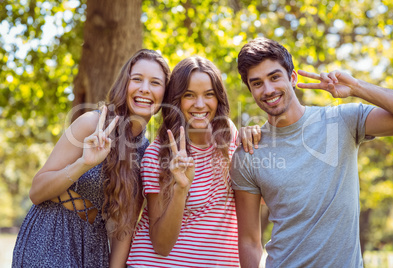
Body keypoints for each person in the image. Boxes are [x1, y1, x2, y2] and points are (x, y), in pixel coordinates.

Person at [230, 37, 393, 268]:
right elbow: (250, 241)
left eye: (274, 77)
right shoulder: (248, 154)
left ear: (292, 78)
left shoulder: (341, 120)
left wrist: (356, 88)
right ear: (250, 89)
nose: (268, 89)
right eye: (257, 83)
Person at [12, 49, 171, 268]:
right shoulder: (90, 124)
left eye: (155, 83)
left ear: (165, 94)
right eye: (137, 79)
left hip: (92, 249)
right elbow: (36, 192)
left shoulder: (147, 153)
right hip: (50, 234)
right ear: (125, 84)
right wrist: (84, 163)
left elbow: (123, 231)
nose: (145, 89)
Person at [126, 56, 240, 267]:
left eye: (209, 95)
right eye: (189, 95)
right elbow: (161, 245)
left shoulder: (230, 139)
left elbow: (265, 197)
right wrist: (181, 188)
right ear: (176, 100)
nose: (200, 104)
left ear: (219, 99)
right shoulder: (158, 154)